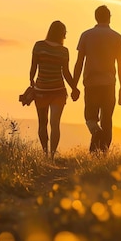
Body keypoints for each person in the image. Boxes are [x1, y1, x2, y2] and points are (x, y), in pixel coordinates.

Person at [72, 5, 121, 153]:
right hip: (109, 84)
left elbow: (79, 62)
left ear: (96, 17)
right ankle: (103, 154)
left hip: (91, 83)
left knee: (90, 117)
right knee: (107, 119)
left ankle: (96, 133)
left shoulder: (86, 35)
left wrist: (74, 86)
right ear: (110, 17)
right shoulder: (117, 37)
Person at [29, 20, 80, 159]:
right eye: (65, 33)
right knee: (55, 123)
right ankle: (51, 156)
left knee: (42, 123)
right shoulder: (63, 51)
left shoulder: (39, 46)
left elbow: (33, 66)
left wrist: (31, 82)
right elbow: (66, 73)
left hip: (41, 90)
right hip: (58, 90)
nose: (65, 36)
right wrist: (74, 88)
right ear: (61, 34)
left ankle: (45, 153)